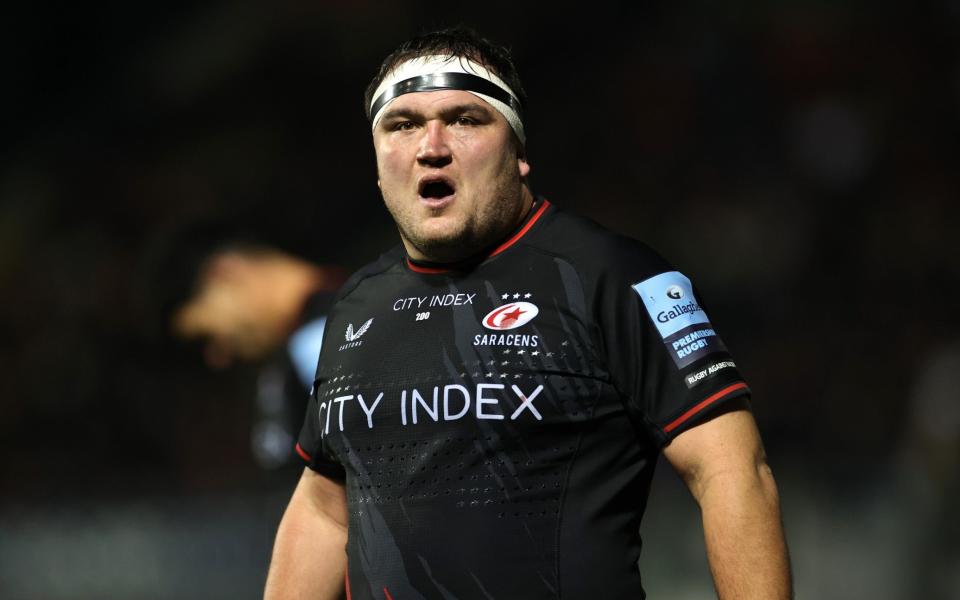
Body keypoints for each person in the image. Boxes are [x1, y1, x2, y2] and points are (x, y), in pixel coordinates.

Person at [265, 27, 791, 599]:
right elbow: (324, 506)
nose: (431, 145)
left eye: (465, 119)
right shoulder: (354, 307)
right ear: (377, 163)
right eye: (403, 124)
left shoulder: (614, 275)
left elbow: (732, 471)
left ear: (518, 153)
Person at [157, 226, 346, 468]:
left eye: (207, 337)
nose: (218, 356)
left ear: (224, 274)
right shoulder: (361, 306)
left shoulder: (323, 343)